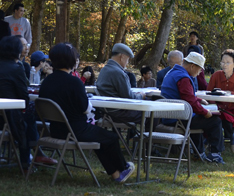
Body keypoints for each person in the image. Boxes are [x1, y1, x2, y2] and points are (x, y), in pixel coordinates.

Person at [39, 43, 135, 183]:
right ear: (71, 60)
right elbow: (85, 108)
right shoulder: (74, 82)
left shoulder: (47, 81)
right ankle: (123, 167)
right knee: (111, 137)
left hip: (55, 129)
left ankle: (116, 174)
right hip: (75, 130)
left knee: (101, 137)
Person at [0, 36, 56, 172]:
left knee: (28, 115)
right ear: (17, 51)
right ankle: (31, 156)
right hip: (10, 116)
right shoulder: (16, 68)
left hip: (2, 115)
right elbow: (23, 96)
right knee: (30, 113)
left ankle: (37, 152)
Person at [161, 52, 225, 164]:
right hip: (179, 119)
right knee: (215, 121)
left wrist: (199, 100)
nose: (200, 72)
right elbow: (189, 101)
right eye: (200, 69)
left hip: (169, 116)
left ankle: (198, 153)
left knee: (198, 118)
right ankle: (215, 155)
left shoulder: (172, 73)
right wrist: (205, 112)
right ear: (192, 66)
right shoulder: (183, 78)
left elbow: (183, 95)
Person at [207, 49, 234, 153]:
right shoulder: (216, 75)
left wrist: (230, 93)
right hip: (217, 107)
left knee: (226, 117)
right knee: (211, 117)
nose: (224, 65)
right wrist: (213, 104)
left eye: (228, 62)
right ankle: (209, 142)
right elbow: (208, 93)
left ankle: (232, 135)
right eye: (222, 62)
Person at [96, 43, 145, 123]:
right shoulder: (118, 73)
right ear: (122, 57)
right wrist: (141, 96)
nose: (127, 63)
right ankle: (149, 135)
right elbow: (129, 98)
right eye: (127, 59)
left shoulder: (104, 70)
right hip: (118, 114)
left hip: (106, 112)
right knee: (153, 114)